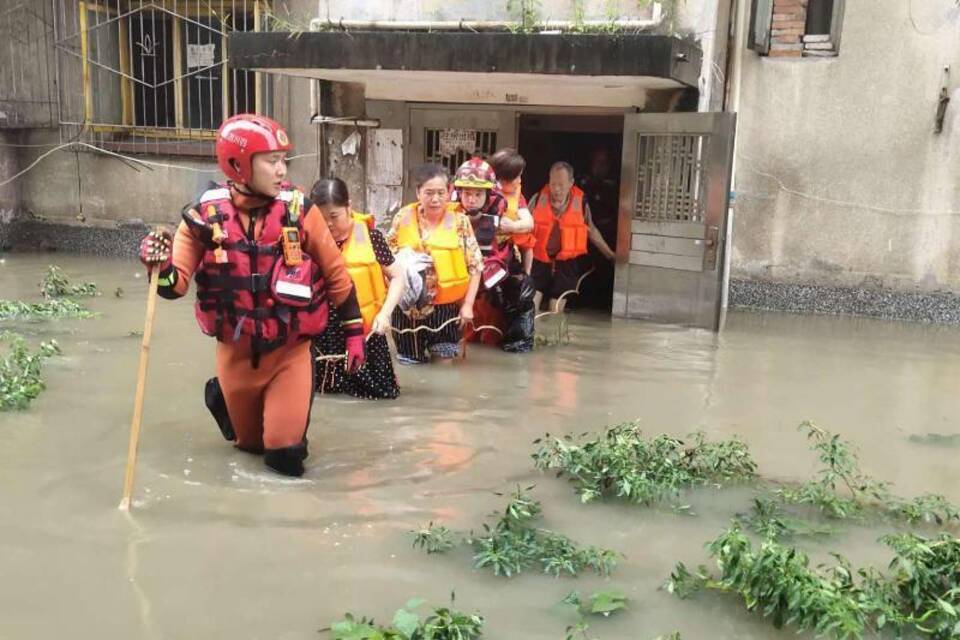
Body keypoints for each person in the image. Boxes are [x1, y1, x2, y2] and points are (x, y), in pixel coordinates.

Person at [137, 114, 365, 477]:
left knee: (284, 458)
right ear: (239, 164)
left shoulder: (301, 212)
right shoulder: (203, 218)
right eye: (271, 160)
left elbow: (338, 278)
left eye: (283, 160)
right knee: (248, 448)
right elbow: (173, 287)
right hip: (235, 355)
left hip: (290, 353)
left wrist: (355, 334)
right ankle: (222, 399)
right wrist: (158, 266)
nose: (281, 170)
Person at [310, 177, 403, 399]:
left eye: (334, 216)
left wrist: (385, 314)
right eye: (322, 219)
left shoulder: (371, 238)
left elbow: (398, 276)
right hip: (326, 336)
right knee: (324, 395)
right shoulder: (309, 241)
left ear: (349, 207)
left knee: (378, 397)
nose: (329, 224)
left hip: (368, 332)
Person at [387, 163, 482, 363]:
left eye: (441, 192)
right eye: (429, 193)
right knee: (410, 364)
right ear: (418, 192)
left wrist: (468, 305)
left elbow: (476, 266)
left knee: (445, 366)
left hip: (445, 310)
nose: (435, 199)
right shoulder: (402, 218)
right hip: (407, 311)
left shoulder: (460, 222)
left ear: (449, 192)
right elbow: (385, 261)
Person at [454, 157, 536, 353]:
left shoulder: (507, 206)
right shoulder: (446, 210)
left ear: (489, 193)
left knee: (521, 292)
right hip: (460, 271)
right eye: (467, 193)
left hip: (497, 265)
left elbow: (528, 227)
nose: (471, 199)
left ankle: (518, 348)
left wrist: (512, 226)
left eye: (477, 194)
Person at [528, 161, 617, 314]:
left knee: (556, 309)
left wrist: (611, 256)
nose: (556, 189)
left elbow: (592, 231)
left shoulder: (580, 203)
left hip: (566, 261)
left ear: (571, 183)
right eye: (553, 183)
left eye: (561, 184)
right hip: (540, 258)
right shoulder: (537, 200)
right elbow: (523, 228)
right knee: (530, 306)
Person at [489, 148, 535, 275]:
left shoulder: (517, 196)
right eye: (517, 176)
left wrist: (513, 226)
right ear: (503, 178)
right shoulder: (482, 193)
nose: (520, 181)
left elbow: (529, 223)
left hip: (506, 255)